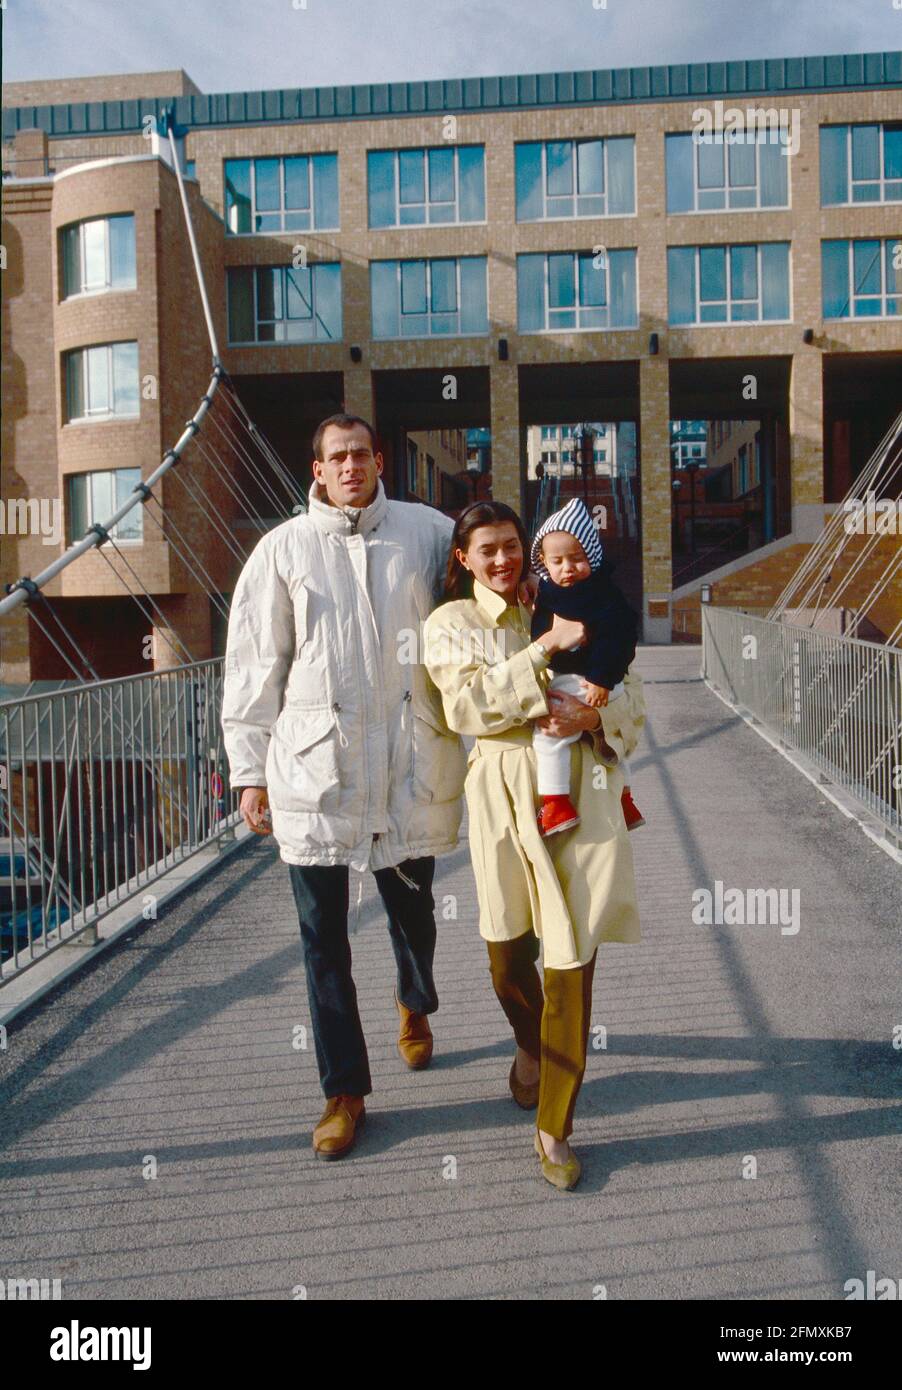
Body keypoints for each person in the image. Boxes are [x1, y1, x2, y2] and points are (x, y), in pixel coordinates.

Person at [221, 414, 469, 1161]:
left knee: (414, 918)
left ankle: (414, 1001)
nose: (351, 465)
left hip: (404, 765)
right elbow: (254, 664)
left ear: (379, 461)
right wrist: (250, 772)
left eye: (362, 453)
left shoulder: (429, 532)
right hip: (313, 772)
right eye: (337, 456)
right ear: (318, 470)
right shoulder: (282, 552)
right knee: (322, 941)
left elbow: (488, 591)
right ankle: (344, 1092)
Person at [422, 500, 645, 1191]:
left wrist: (597, 712)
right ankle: (528, 1044)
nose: (502, 559)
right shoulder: (449, 625)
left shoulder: (562, 593)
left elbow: (630, 690)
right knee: (507, 960)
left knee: (572, 958)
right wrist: (543, 649)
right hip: (500, 794)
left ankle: (555, 1125)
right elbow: (468, 707)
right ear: (463, 558)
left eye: (512, 546)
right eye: (486, 549)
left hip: (579, 788)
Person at [529, 497, 646, 836]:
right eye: (558, 561)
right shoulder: (550, 591)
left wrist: (600, 678)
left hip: (589, 679)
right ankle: (624, 798)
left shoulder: (601, 593)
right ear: (544, 564)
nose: (568, 568)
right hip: (590, 679)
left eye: (577, 559)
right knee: (615, 742)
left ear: (592, 557)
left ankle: (555, 803)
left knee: (549, 738)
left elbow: (619, 636)